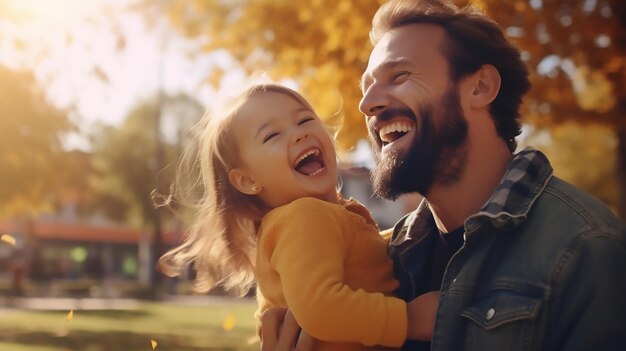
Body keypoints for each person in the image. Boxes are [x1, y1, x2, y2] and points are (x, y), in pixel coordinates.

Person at [261, 0, 626, 350]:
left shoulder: (584, 247)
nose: (367, 104)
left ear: (479, 87)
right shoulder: (385, 256)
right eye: (367, 87)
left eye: (399, 75)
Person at [157, 83, 439, 351]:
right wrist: (411, 319)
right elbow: (320, 307)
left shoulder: (317, 219)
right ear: (246, 180)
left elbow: (361, 257)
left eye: (304, 120)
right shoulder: (305, 215)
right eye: (272, 135)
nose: (299, 133)